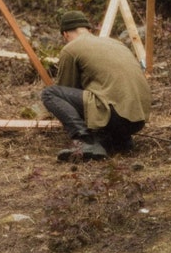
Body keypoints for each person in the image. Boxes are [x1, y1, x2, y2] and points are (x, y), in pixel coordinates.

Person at [41, 9, 150, 162]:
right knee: (102, 95)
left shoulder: (71, 48)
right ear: (88, 30)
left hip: (115, 116)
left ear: (65, 34)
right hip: (138, 119)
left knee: (50, 94)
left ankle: (85, 142)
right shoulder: (115, 43)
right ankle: (119, 140)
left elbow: (67, 88)